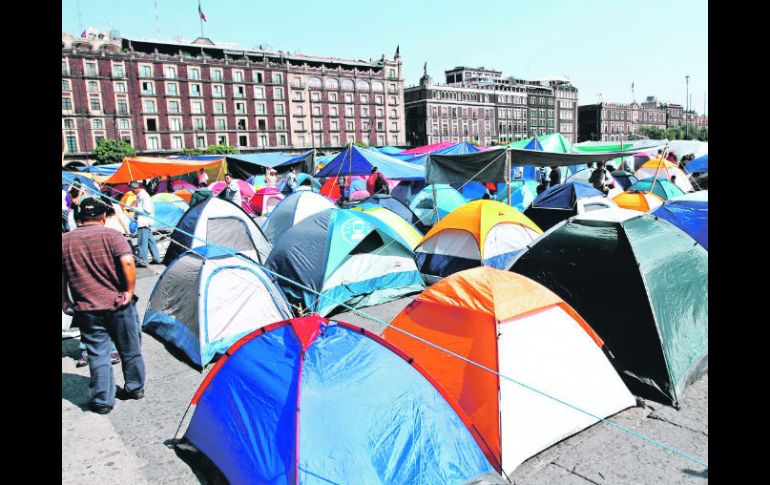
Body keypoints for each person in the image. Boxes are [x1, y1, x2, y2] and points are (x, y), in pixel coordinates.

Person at [62, 197, 146, 414]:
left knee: (98, 354)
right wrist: (129, 290)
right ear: (102, 216)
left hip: (87, 307)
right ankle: (135, 388)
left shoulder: (65, 240)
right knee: (130, 349)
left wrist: (64, 298)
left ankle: (102, 401)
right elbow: (127, 261)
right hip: (118, 304)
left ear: (79, 217)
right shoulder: (112, 235)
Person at [127, 182, 161, 267]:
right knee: (150, 241)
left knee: (142, 242)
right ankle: (157, 258)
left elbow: (147, 210)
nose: (132, 191)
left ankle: (143, 261)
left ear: (136, 188)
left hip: (144, 222)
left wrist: (133, 208)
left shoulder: (144, 196)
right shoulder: (140, 196)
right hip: (143, 221)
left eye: (132, 189)